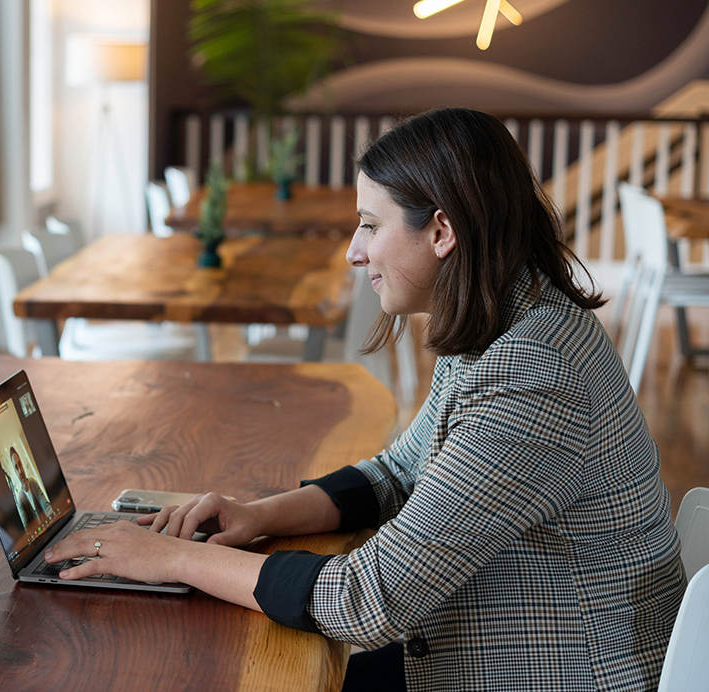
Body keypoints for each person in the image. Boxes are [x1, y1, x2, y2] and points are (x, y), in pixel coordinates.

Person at [44, 108, 686, 691]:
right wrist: (258, 515)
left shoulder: (537, 370)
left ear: (441, 232)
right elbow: (398, 473)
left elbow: (369, 600)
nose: (354, 252)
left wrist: (171, 560)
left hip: (570, 673)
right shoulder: (505, 318)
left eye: (371, 225)